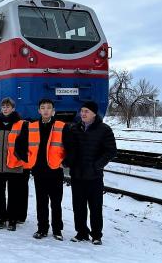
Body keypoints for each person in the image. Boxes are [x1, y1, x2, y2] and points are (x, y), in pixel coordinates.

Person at [20, 99, 71, 241]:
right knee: (41, 202)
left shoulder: (62, 127)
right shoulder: (31, 127)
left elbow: (71, 148)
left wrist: (65, 163)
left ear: (53, 111)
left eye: (49, 108)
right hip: (39, 171)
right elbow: (19, 146)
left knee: (56, 203)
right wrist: (28, 160)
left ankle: (57, 230)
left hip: (55, 171)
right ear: (39, 111)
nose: (46, 110)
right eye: (43, 108)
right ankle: (42, 229)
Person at [68, 101, 116, 245]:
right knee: (78, 206)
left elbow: (111, 151)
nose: (83, 114)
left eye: (86, 111)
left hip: (94, 176)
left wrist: (97, 166)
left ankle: (96, 235)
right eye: (82, 111)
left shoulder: (104, 130)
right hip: (77, 175)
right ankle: (81, 232)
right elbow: (69, 149)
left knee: (95, 207)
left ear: (94, 113)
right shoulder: (74, 129)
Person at [0, 97, 29, 231]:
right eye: (3, 106)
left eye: (8, 106)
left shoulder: (21, 124)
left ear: (13, 108)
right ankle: (2, 218)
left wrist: (20, 157)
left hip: (14, 165)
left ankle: (12, 219)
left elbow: (25, 145)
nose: (5, 109)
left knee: (14, 194)